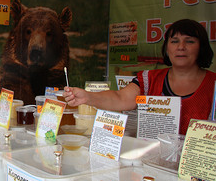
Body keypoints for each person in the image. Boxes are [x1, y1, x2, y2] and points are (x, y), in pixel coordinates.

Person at [63, 19, 215, 135]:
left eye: (190, 41)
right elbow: (120, 98)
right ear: (167, 48)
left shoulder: (213, 84)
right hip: (153, 164)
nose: (181, 47)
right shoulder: (149, 78)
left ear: (201, 47)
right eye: (174, 41)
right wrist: (87, 97)